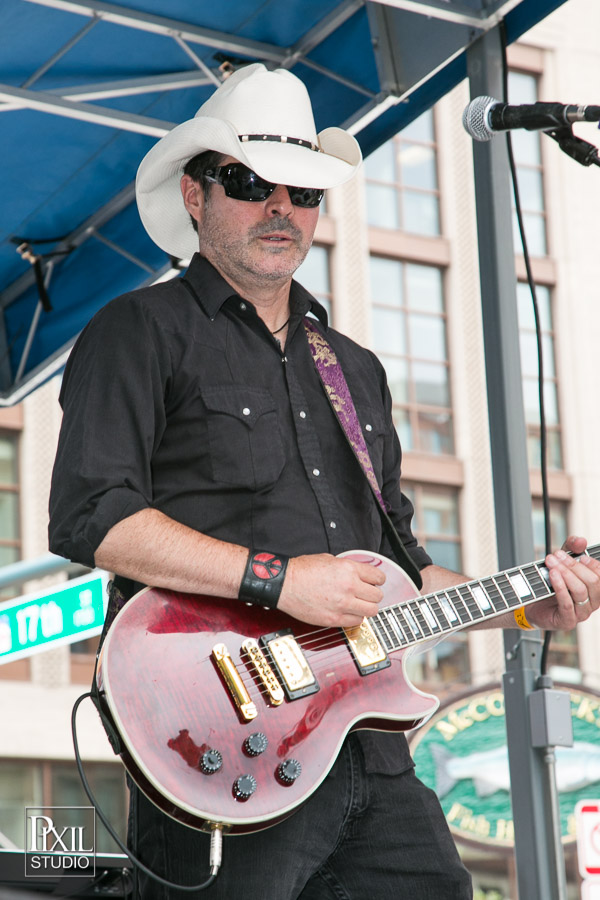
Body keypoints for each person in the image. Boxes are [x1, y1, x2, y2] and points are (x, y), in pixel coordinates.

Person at [48, 64, 600, 900]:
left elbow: (403, 575)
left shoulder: (354, 368)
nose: (281, 208)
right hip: (221, 739)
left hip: (368, 744)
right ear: (196, 195)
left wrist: (529, 605)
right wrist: (279, 579)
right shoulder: (139, 329)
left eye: (302, 192)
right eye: (251, 184)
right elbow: (93, 514)